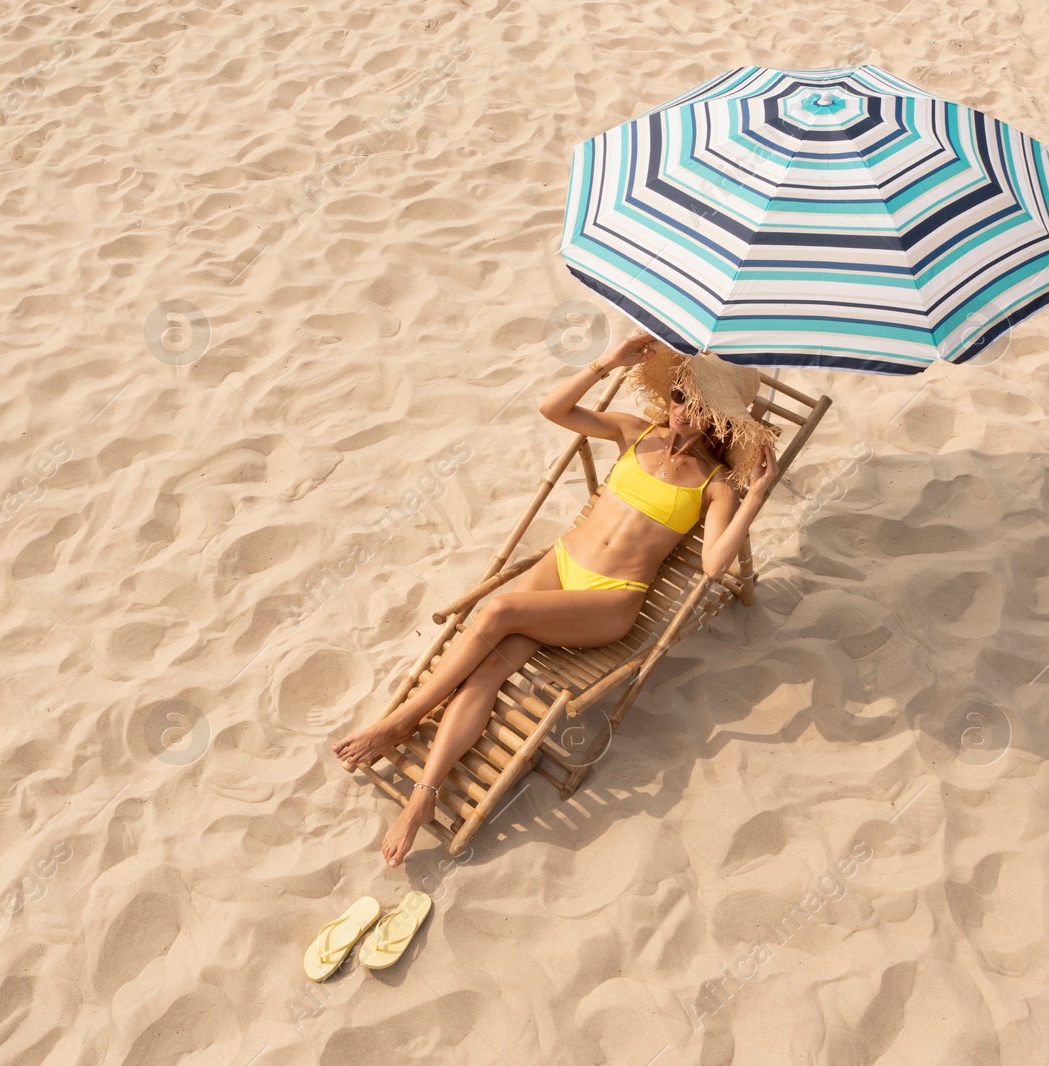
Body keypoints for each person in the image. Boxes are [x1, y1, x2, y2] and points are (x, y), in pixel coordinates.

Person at [332, 332, 784, 866]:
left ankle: (403, 719)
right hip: (562, 564)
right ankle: (425, 796)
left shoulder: (715, 486)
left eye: (697, 402)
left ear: (720, 418)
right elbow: (554, 409)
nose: (682, 407)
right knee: (485, 675)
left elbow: (712, 565)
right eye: (680, 393)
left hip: (610, 599)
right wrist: (608, 362)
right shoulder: (636, 432)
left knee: (497, 610)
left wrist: (754, 495)